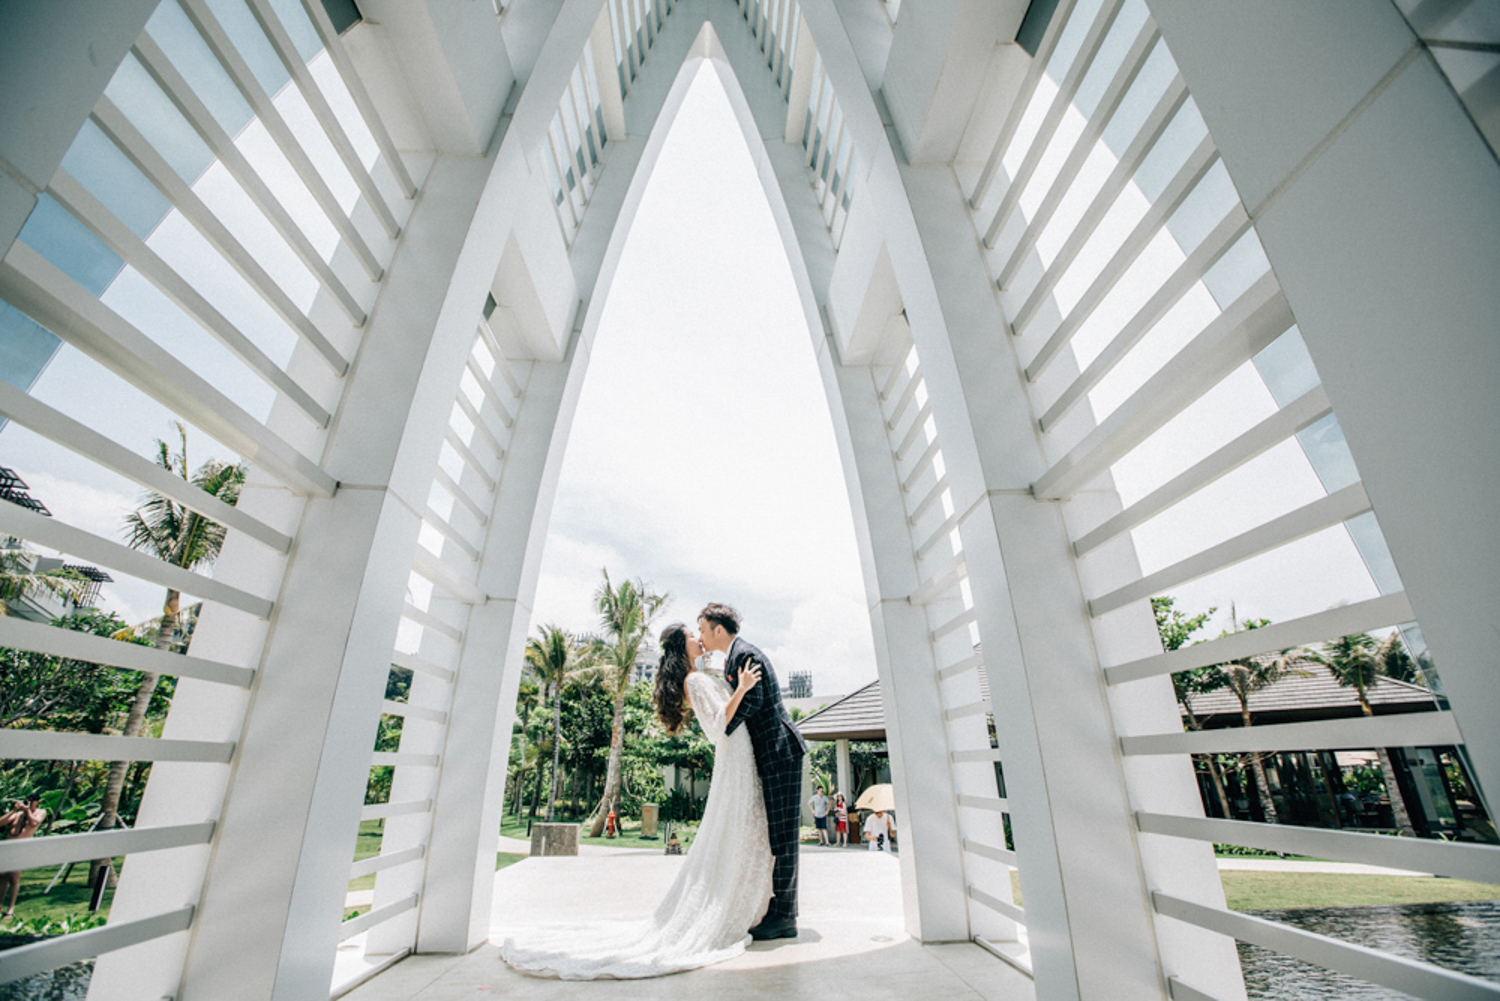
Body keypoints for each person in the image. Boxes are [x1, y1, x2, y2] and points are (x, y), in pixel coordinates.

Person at [501, 623, 772, 979]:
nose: (698, 637)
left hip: (740, 754)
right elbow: (717, 725)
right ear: (682, 646)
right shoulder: (693, 681)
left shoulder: (701, 675)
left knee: (742, 828)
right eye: (693, 635)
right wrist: (745, 688)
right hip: (732, 754)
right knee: (737, 826)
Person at [700, 602, 807, 941]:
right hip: (772, 755)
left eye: (702, 629)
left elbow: (754, 699)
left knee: (783, 836)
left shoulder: (746, 655)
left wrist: (723, 729)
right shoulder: (735, 657)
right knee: (778, 834)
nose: (700, 636)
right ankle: (781, 910)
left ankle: (784, 916)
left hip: (780, 752)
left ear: (718, 629)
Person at [1, 795, 45, 919]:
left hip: (21, 848)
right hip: (8, 847)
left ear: (37, 802)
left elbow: (34, 823)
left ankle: (10, 909)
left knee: (14, 878)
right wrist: (14, 810)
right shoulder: (18, 814)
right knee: (2, 876)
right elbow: (1, 822)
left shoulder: (40, 812)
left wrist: (27, 811)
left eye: (32, 801)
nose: (29, 802)